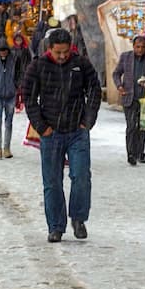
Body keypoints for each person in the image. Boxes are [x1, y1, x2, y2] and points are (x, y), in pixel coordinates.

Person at [22, 28, 102, 243]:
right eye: (58, 53)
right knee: (52, 182)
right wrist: (42, 127)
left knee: (81, 176)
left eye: (65, 52)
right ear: (50, 49)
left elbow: (94, 90)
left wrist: (87, 121)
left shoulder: (81, 64)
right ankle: (56, 226)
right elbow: (29, 98)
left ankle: (78, 218)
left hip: (78, 131)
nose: (62, 56)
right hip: (51, 133)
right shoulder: (37, 66)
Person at [112, 35, 145, 165]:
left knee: (142, 126)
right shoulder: (125, 57)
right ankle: (131, 154)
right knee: (131, 126)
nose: (140, 50)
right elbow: (116, 73)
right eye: (137, 47)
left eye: (142, 47)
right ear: (133, 46)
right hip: (129, 97)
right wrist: (119, 86)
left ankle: (140, 152)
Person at [0, 40, 21, 159]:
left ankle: (6, 148)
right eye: (1, 51)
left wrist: (16, 85)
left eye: (5, 51)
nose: (3, 53)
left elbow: (19, 73)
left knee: (8, 122)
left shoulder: (15, 59)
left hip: (11, 95)